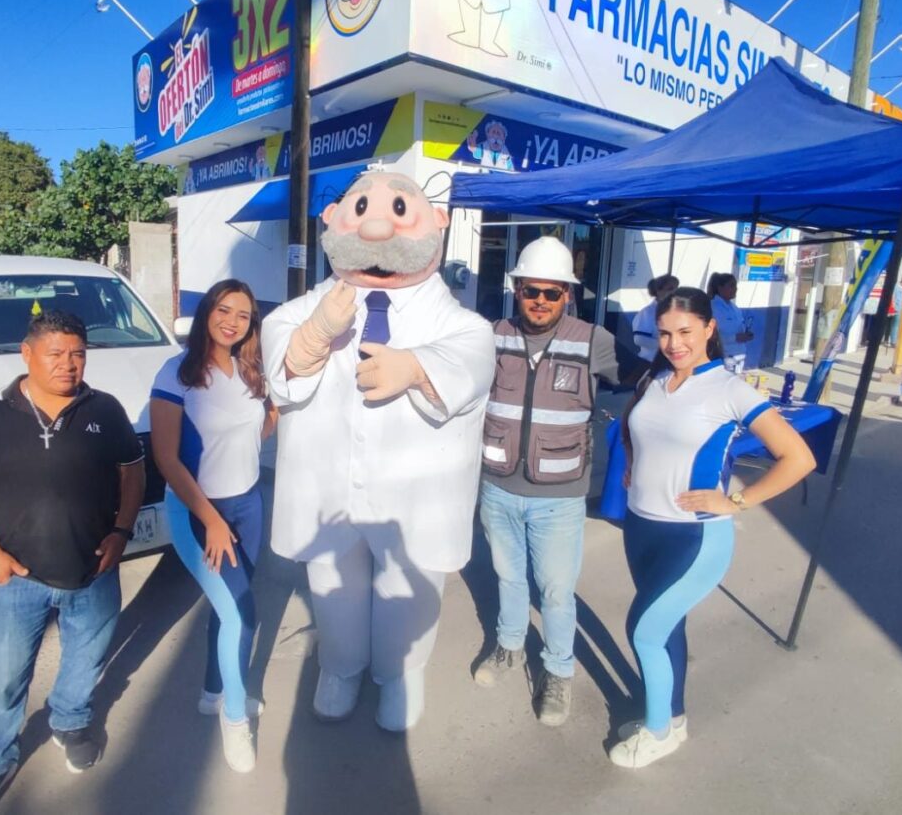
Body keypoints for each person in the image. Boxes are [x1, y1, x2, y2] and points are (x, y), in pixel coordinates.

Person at [261, 171, 494, 732]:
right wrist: (316, 332)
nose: (379, 226)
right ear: (333, 221)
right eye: (362, 209)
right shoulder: (307, 306)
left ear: (438, 223)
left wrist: (416, 368)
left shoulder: (456, 320)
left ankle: (399, 673)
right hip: (328, 491)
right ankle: (340, 667)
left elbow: (473, 349)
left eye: (397, 209)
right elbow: (279, 355)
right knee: (332, 587)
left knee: (406, 594)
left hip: (412, 497)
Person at [608, 287, 815, 769]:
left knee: (643, 631)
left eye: (684, 332)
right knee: (666, 627)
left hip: (694, 537)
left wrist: (737, 499)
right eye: (664, 333)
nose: (673, 343)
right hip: (642, 528)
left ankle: (657, 733)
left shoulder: (730, 389)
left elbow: (797, 457)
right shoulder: (655, 381)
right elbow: (633, 426)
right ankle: (672, 717)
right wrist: (634, 464)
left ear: (709, 328)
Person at [0, 311, 145, 815]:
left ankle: (70, 720)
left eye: (78, 354)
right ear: (27, 354)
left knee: (86, 659)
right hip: (17, 576)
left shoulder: (105, 409)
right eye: (56, 354)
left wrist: (122, 533)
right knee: (2, 678)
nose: (68, 364)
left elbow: (133, 473)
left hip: (93, 572)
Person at [475, 236, 621, 726]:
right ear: (516, 289)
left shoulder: (593, 341)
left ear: (568, 294)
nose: (540, 300)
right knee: (508, 577)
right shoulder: (492, 335)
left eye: (551, 292)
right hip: (497, 487)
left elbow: (651, 380)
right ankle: (509, 646)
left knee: (557, 590)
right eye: (530, 290)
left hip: (559, 498)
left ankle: (558, 671)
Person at [150, 279, 277, 774]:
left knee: (233, 604)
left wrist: (276, 416)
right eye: (224, 310)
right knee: (242, 615)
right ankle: (233, 718)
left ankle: (211, 690)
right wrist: (212, 521)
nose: (232, 320)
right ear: (206, 313)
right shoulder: (176, 373)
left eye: (243, 315)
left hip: (247, 503)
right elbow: (165, 458)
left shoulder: (249, 371)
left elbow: (257, 427)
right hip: (196, 511)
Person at [708, 272, 753, 373]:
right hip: (725, 357)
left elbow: (740, 327)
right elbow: (712, 335)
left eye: (736, 286)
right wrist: (735, 338)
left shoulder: (734, 308)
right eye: (731, 286)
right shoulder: (714, 307)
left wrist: (747, 334)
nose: (735, 289)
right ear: (720, 288)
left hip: (739, 356)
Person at [632, 274, 680, 365]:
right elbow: (639, 339)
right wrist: (666, 345)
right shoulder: (647, 313)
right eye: (670, 289)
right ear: (658, 291)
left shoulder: (677, 311)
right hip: (650, 363)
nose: (674, 292)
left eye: (676, 289)